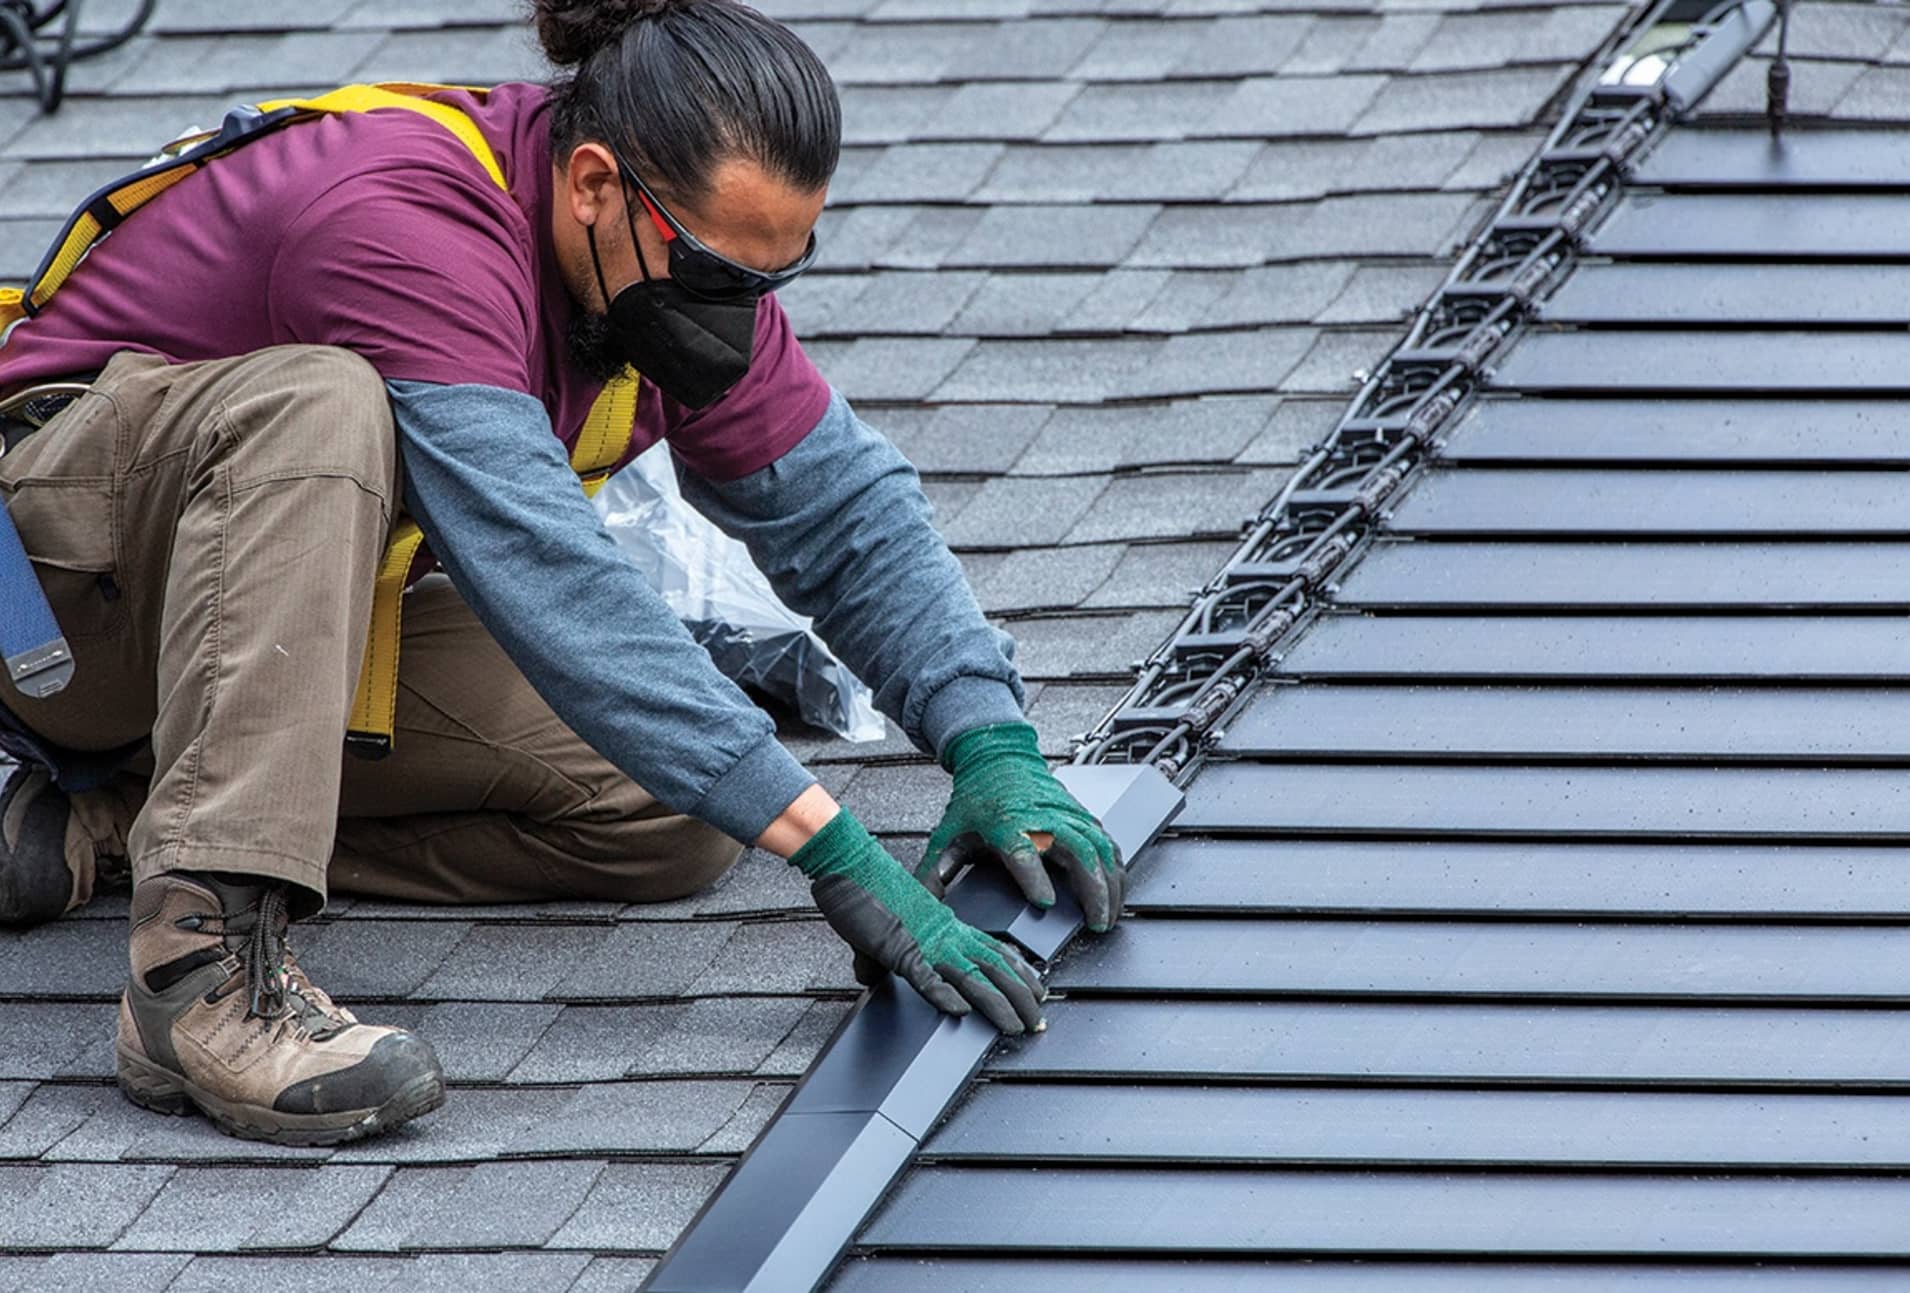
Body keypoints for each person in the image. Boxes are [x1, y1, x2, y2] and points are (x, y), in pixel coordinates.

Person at [0, 0, 1122, 1147]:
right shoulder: (401, 220)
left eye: (765, 283)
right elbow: (549, 575)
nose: (729, 325)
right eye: (713, 277)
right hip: (49, 613)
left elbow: (843, 511)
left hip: (232, 638)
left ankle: (110, 824)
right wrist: (837, 853)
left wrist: (991, 743)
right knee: (320, 402)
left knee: (673, 808)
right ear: (592, 185)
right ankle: (201, 979)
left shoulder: (656, 266)